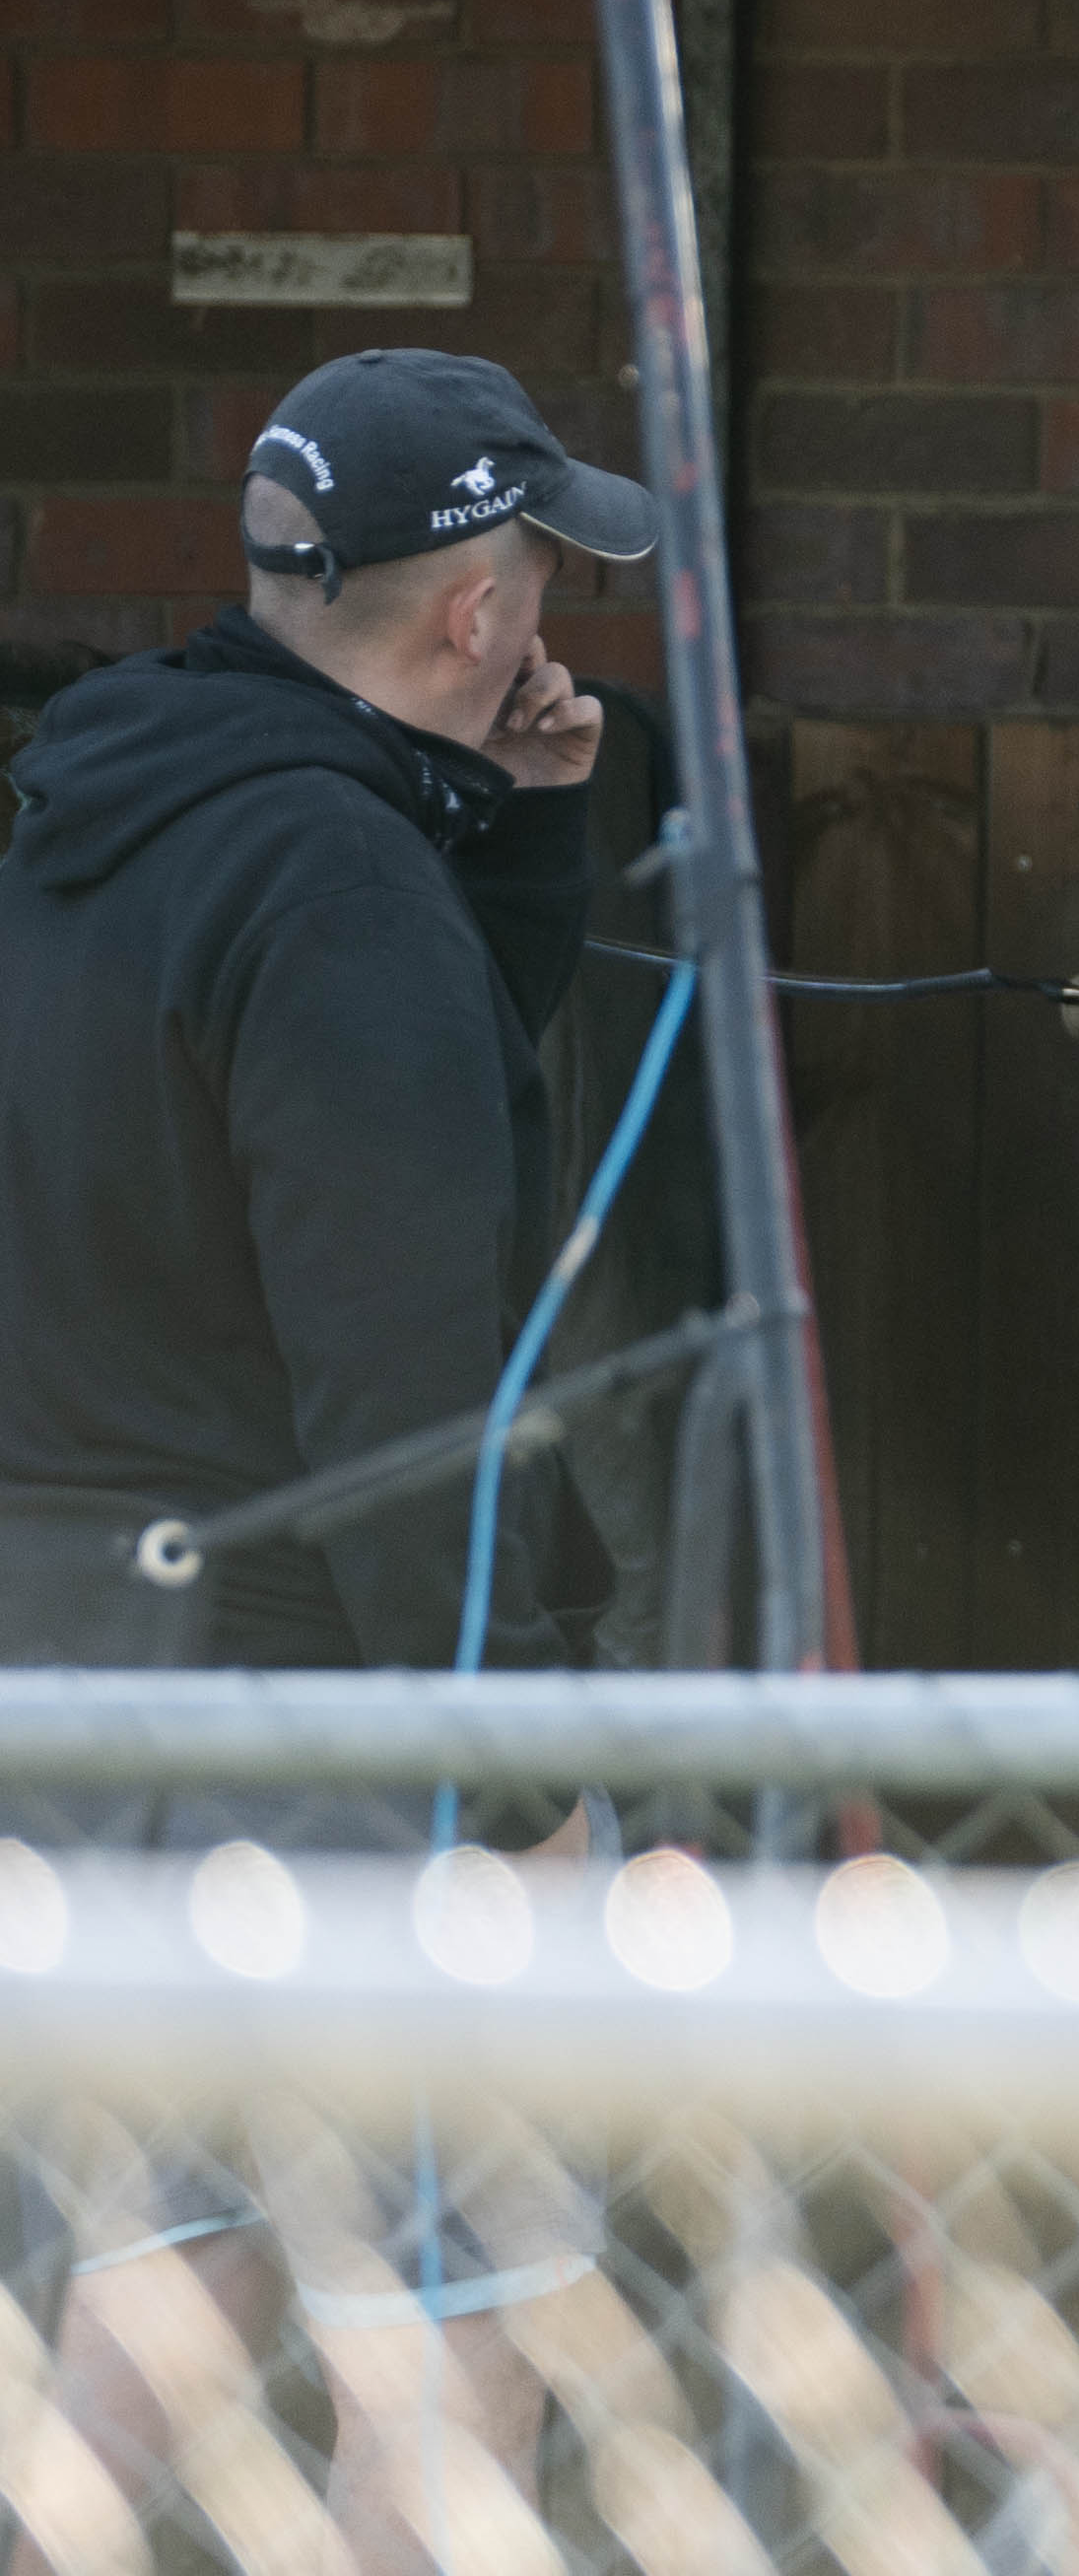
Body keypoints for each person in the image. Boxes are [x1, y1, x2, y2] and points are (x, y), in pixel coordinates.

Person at [0, 346, 650, 2576]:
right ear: (474, 608)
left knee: (163, 2254)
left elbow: (402, 1086)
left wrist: (524, 822)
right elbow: (402, 1383)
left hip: (86, 1666)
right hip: (328, 1697)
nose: (561, 604)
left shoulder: (114, 806)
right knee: (458, 2292)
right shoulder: (341, 885)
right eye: (543, 561)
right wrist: (521, 1770)